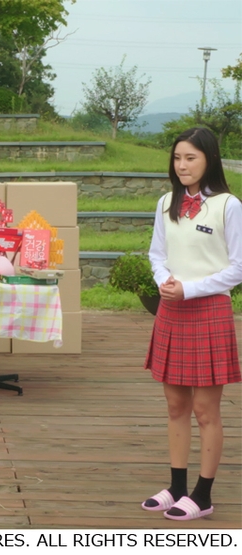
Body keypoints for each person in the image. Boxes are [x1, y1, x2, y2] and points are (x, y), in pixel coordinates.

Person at [141, 127, 242, 521]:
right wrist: (164, 280)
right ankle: (177, 488)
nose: (182, 165)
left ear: (210, 159)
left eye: (191, 158)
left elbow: (238, 268)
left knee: (205, 409)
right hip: (173, 308)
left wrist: (191, 288)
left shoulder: (228, 205)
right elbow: (156, 253)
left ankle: (203, 495)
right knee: (175, 405)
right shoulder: (167, 202)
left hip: (209, 310)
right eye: (177, 157)